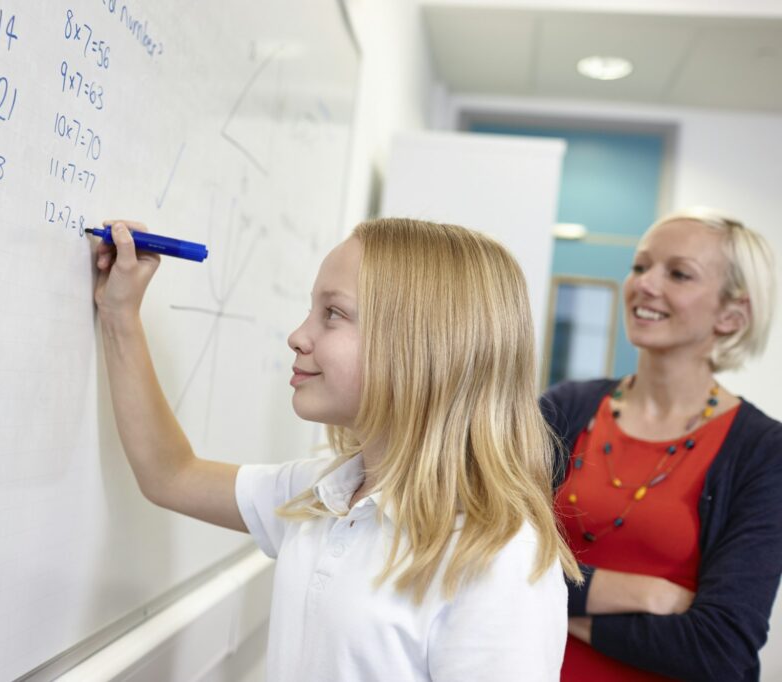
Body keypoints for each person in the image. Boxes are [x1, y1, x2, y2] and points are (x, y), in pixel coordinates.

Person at [93, 217, 579, 681]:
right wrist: (120, 315)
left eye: (333, 314)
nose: (298, 335)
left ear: (418, 346)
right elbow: (170, 474)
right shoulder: (322, 497)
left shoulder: (498, 559)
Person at [542, 207, 782, 681]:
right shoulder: (564, 408)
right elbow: (483, 556)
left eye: (678, 274)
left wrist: (554, 606)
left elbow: (722, 650)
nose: (645, 284)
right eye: (640, 266)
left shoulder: (763, 451)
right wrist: (641, 594)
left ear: (732, 315)